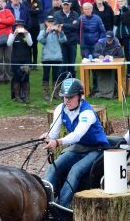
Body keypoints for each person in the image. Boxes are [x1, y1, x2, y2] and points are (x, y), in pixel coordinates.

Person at [40, 78, 109, 208]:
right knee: (55, 166)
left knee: (75, 170)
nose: (67, 100)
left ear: (80, 96)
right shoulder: (60, 108)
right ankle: (43, 201)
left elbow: (77, 135)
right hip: (80, 147)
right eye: (65, 97)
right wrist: (48, 136)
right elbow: (53, 131)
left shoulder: (87, 113)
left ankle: (62, 206)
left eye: (71, 97)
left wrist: (57, 142)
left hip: (97, 148)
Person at [38, 14, 66, 101]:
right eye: (48, 22)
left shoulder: (57, 31)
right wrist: (47, 32)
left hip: (57, 57)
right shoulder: (43, 31)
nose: (50, 23)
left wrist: (60, 32)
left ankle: (56, 93)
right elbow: (41, 40)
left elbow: (64, 40)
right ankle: (46, 93)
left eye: (52, 22)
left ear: (54, 22)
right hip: (46, 57)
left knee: (56, 76)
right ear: (45, 23)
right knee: (46, 76)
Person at [7, 18, 33, 102]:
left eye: (21, 26)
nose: (19, 28)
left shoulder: (27, 34)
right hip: (16, 59)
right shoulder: (12, 34)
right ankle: (17, 96)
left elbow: (30, 44)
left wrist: (26, 34)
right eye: (18, 26)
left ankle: (27, 96)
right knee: (17, 78)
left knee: (26, 78)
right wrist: (14, 34)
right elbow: (8, 43)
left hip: (26, 59)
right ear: (15, 27)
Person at [54, 0, 79, 78]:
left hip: (72, 42)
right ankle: (62, 84)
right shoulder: (57, 14)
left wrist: (63, 25)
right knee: (63, 64)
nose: (66, 6)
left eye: (67, 4)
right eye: (64, 4)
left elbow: (76, 27)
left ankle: (72, 83)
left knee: (72, 64)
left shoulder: (75, 14)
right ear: (62, 5)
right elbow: (58, 27)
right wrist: (69, 26)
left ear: (70, 5)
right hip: (62, 42)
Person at [23, 0, 42, 65]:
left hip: (35, 26)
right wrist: (34, 10)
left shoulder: (38, 2)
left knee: (35, 44)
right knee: (27, 44)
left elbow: (40, 11)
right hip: (27, 27)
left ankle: (34, 63)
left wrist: (30, 10)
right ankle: (29, 62)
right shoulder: (24, 2)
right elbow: (25, 11)